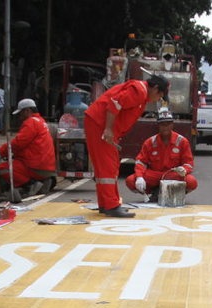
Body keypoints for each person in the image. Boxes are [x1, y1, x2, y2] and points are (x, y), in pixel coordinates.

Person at [84, 74, 169, 218]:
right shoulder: (139, 92)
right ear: (155, 89)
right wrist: (109, 129)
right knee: (108, 166)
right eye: (160, 96)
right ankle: (111, 206)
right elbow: (115, 103)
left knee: (105, 167)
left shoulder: (140, 93)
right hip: (100, 125)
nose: (158, 100)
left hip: (98, 123)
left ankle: (106, 204)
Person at [124, 108, 197, 202]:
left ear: (172, 125)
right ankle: (153, 192)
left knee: (192, 182)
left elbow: (188, 162)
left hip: (173, 175)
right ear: (158, 125)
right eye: (162, 124)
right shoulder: (150, 142)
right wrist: (139, 177)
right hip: (154, 175)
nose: (165, 127)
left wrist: (184, 169)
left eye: (168, 124)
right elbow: (140, 162)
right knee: (130, 180)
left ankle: (175, 192)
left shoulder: (182, 141)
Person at [0, 98, 56, 196]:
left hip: (35, 166)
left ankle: (31, 185)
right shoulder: (41, 121)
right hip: (47, 166)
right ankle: (41, 180)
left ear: (27, 111)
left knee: (3, 168)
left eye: (21, 113)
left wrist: (0, 152)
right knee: (15, 163)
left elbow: (18, 143)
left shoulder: (31, 123)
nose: (20, 117)